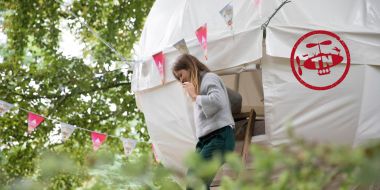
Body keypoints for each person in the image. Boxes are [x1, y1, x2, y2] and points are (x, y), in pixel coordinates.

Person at [172, 54, 235, 189]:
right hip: (207, 141)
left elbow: (218, 101)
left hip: (219, 137)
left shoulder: (209, 78)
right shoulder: (199, 86)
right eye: (178, 78)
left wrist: (195, 96)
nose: (181, 80)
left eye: (181, 75)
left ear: (190, 67)